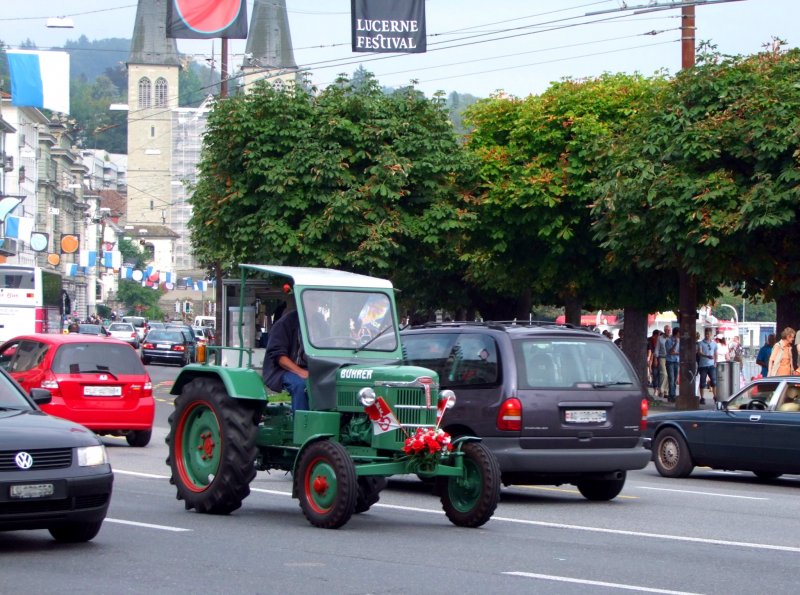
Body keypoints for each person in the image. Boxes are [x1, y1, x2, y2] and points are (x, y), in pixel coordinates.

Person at [262, 309, 309, 412]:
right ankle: (302, 425)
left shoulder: (318, 322)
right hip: (282, 370)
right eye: (312, 299)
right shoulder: (284, 323)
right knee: (300, 385)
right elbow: (279, 357)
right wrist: (301, 372)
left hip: (309, 368)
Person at [697, 328, 717, 405]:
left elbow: (715, 353)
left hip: (711, 365)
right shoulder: (701, 343)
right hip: (703, 365)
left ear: (711, 334)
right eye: (706, 334)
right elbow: (699, 352)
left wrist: (715, 362)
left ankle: (715, 396)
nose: (707, 336)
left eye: (709, 334)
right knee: (702, 382)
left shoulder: (714, 344)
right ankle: (702, 397)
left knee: (714, 381)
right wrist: (707, 356)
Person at [665, 327, 680, 403]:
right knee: (671, 379)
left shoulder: (680, 341)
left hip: (677, 361)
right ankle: (671, 395)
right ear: (676, 333)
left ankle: (673, 394)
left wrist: (676, 353)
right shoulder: (669, 341)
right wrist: (676, 344)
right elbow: (670, 352)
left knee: (675, 380)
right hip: (670, 361)